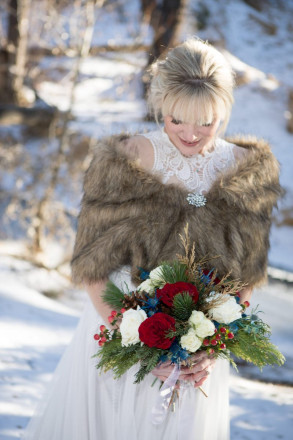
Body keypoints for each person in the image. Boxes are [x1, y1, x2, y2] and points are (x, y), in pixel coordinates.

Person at [23, 38, 281, 440]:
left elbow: (246, 275)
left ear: (224, 110)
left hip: (199, 353)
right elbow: (92, 268)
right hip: (121, 338)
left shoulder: (246, 170)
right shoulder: (130, 158)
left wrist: (212, 349)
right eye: (176, 119)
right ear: (160, 105)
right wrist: (138, 343)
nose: (191, 134)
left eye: (206, 121)